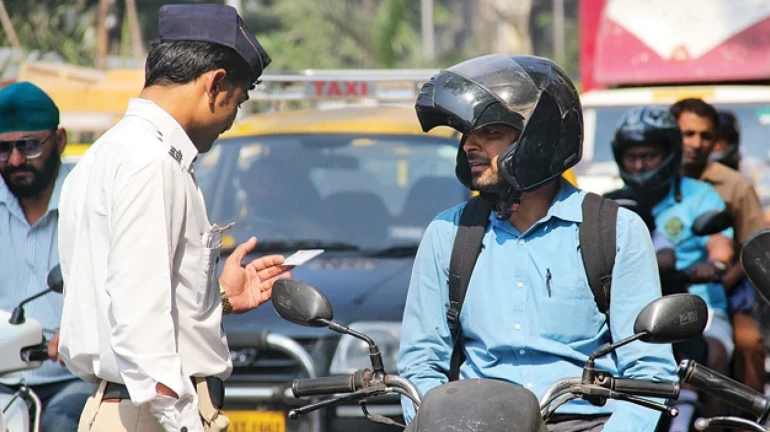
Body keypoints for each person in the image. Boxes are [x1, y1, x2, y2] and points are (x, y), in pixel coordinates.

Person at [398, 54, 677, 432]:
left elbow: (648, 371)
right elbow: (421, 362)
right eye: (468, 135)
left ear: (540, 139)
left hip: (585, 423)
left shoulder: (616, 230)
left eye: (490, 133)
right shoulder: (447, 233)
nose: (469, 147)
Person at [57, 5, 292, 432]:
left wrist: (215, 299)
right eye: (237, 102)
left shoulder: (104, 156)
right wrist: (185, 422)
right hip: (151, 415)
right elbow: (139, 325)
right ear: (215, 84)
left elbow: (125, 299)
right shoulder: (152, 165)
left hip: (129, 406)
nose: (230, 122)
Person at [610, 105, 734, 431]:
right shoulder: (613, 202)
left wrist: (713, 264)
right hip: (629, 308)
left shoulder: (701, 195)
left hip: (697, 301)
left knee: (712, 355)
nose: (639, 165)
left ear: (668, 154)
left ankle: (713, 424)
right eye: (632, 157)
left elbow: (721, 243)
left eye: (648, 156)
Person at [0, 81, 94, 431]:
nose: (15, 160)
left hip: (72, 375)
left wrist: (76, 336)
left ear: (61, 140)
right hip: (2, 377)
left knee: (64, 423)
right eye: (3, 148)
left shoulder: (91, 202)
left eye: (29, 145)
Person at [671, 98, 767, 398]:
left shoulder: (734, 185)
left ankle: (747, 419)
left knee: (748, 342)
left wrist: (721, 276)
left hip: (726, 289)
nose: (696, 143)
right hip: (668, 289)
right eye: (687, 134)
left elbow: (752, 247)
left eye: (705, 136)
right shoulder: (656, 181)